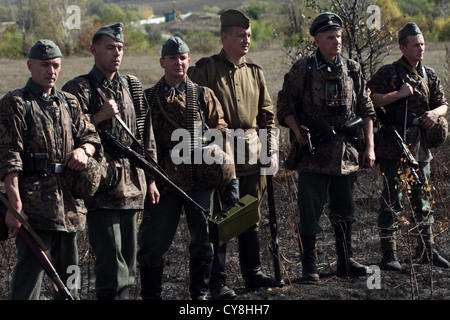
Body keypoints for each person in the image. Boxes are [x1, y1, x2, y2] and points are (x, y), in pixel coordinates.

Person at [62, 23, 159, 299]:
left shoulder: (131, 85)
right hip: (102, 186)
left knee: (128, 262)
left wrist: (151, 179)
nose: (116, 53)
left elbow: (145, 136)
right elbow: (66, 134)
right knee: (109, 261)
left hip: (132, 186)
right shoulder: (79, 88)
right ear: (94, 50)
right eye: (109, 47)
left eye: (120, 48)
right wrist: (98, 117)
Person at [277, 12, 376, 281]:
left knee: (345, 210)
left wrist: (370, 147)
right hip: (314, 154)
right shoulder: (303, 69)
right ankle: (309, 265)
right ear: (317, 40)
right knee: (310, 212)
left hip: (346, 154)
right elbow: (285, 104)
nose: (337, 41)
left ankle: (346, 260)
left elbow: (366, 108)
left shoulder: (352, 69)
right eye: (331, 37)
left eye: (339, 36)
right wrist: (297, 131)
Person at [0, 39, 102, 299]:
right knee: (29, 280)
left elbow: (92, 137)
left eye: (55, 65)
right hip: (34, 207)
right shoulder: (16, 103)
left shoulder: (69, 102)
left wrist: (84, 150)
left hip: (69, 206)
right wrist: (14, 207)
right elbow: (8, 158)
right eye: (45, 65)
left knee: (71, 279)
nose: (51, 71)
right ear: (30, 65)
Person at [189, 9, 280, 299]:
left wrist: (271, 150)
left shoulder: (255, 71)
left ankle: (252, 273)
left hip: (252, 154)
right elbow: (194, 114)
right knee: (222, 218)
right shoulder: (205, 69)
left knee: (249, 214)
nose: (246, 41)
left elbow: (267, 116)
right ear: (224, 37)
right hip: (219, 157)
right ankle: (217, 282)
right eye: (241, 36)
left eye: (249, 36)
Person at [137, 37, 233, 300]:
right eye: (172, 58)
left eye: (183, 58)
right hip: (164, 181)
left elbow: (221, 133)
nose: (178, 63)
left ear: (189, 60)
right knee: (152, 241)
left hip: (200, 178)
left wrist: (229, 175)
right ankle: (150, 295)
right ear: (162, 62)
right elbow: (143, 146)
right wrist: (150, 181)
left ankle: (199, 292)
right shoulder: (148, 99)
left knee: (204, 239)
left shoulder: (203, 95)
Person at [368, 22, 449, 270]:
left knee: (423, 199)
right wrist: (399, 94)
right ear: (403, 47)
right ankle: (389, 254)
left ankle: (427, 250)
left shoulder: (430, 75)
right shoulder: (389, 72)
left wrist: (435, 114)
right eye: (416, 45)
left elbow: (444, 104)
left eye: (422, 44)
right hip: (394, 144)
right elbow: (370, 99)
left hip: (420, 146)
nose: (421, 48)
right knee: (393, 199)